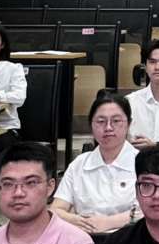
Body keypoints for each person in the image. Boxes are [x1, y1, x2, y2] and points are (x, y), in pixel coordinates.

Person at [54, 92, 142, 232]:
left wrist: (108, 222)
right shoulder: (79, 164)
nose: (108, 127)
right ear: (90, 125)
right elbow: (56, 209)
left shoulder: (143, 162)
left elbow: (147, 210)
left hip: (131, 237)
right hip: (86, 236)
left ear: (128, 124)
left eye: (116, 121)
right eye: (101, 121)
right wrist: (76, 220)